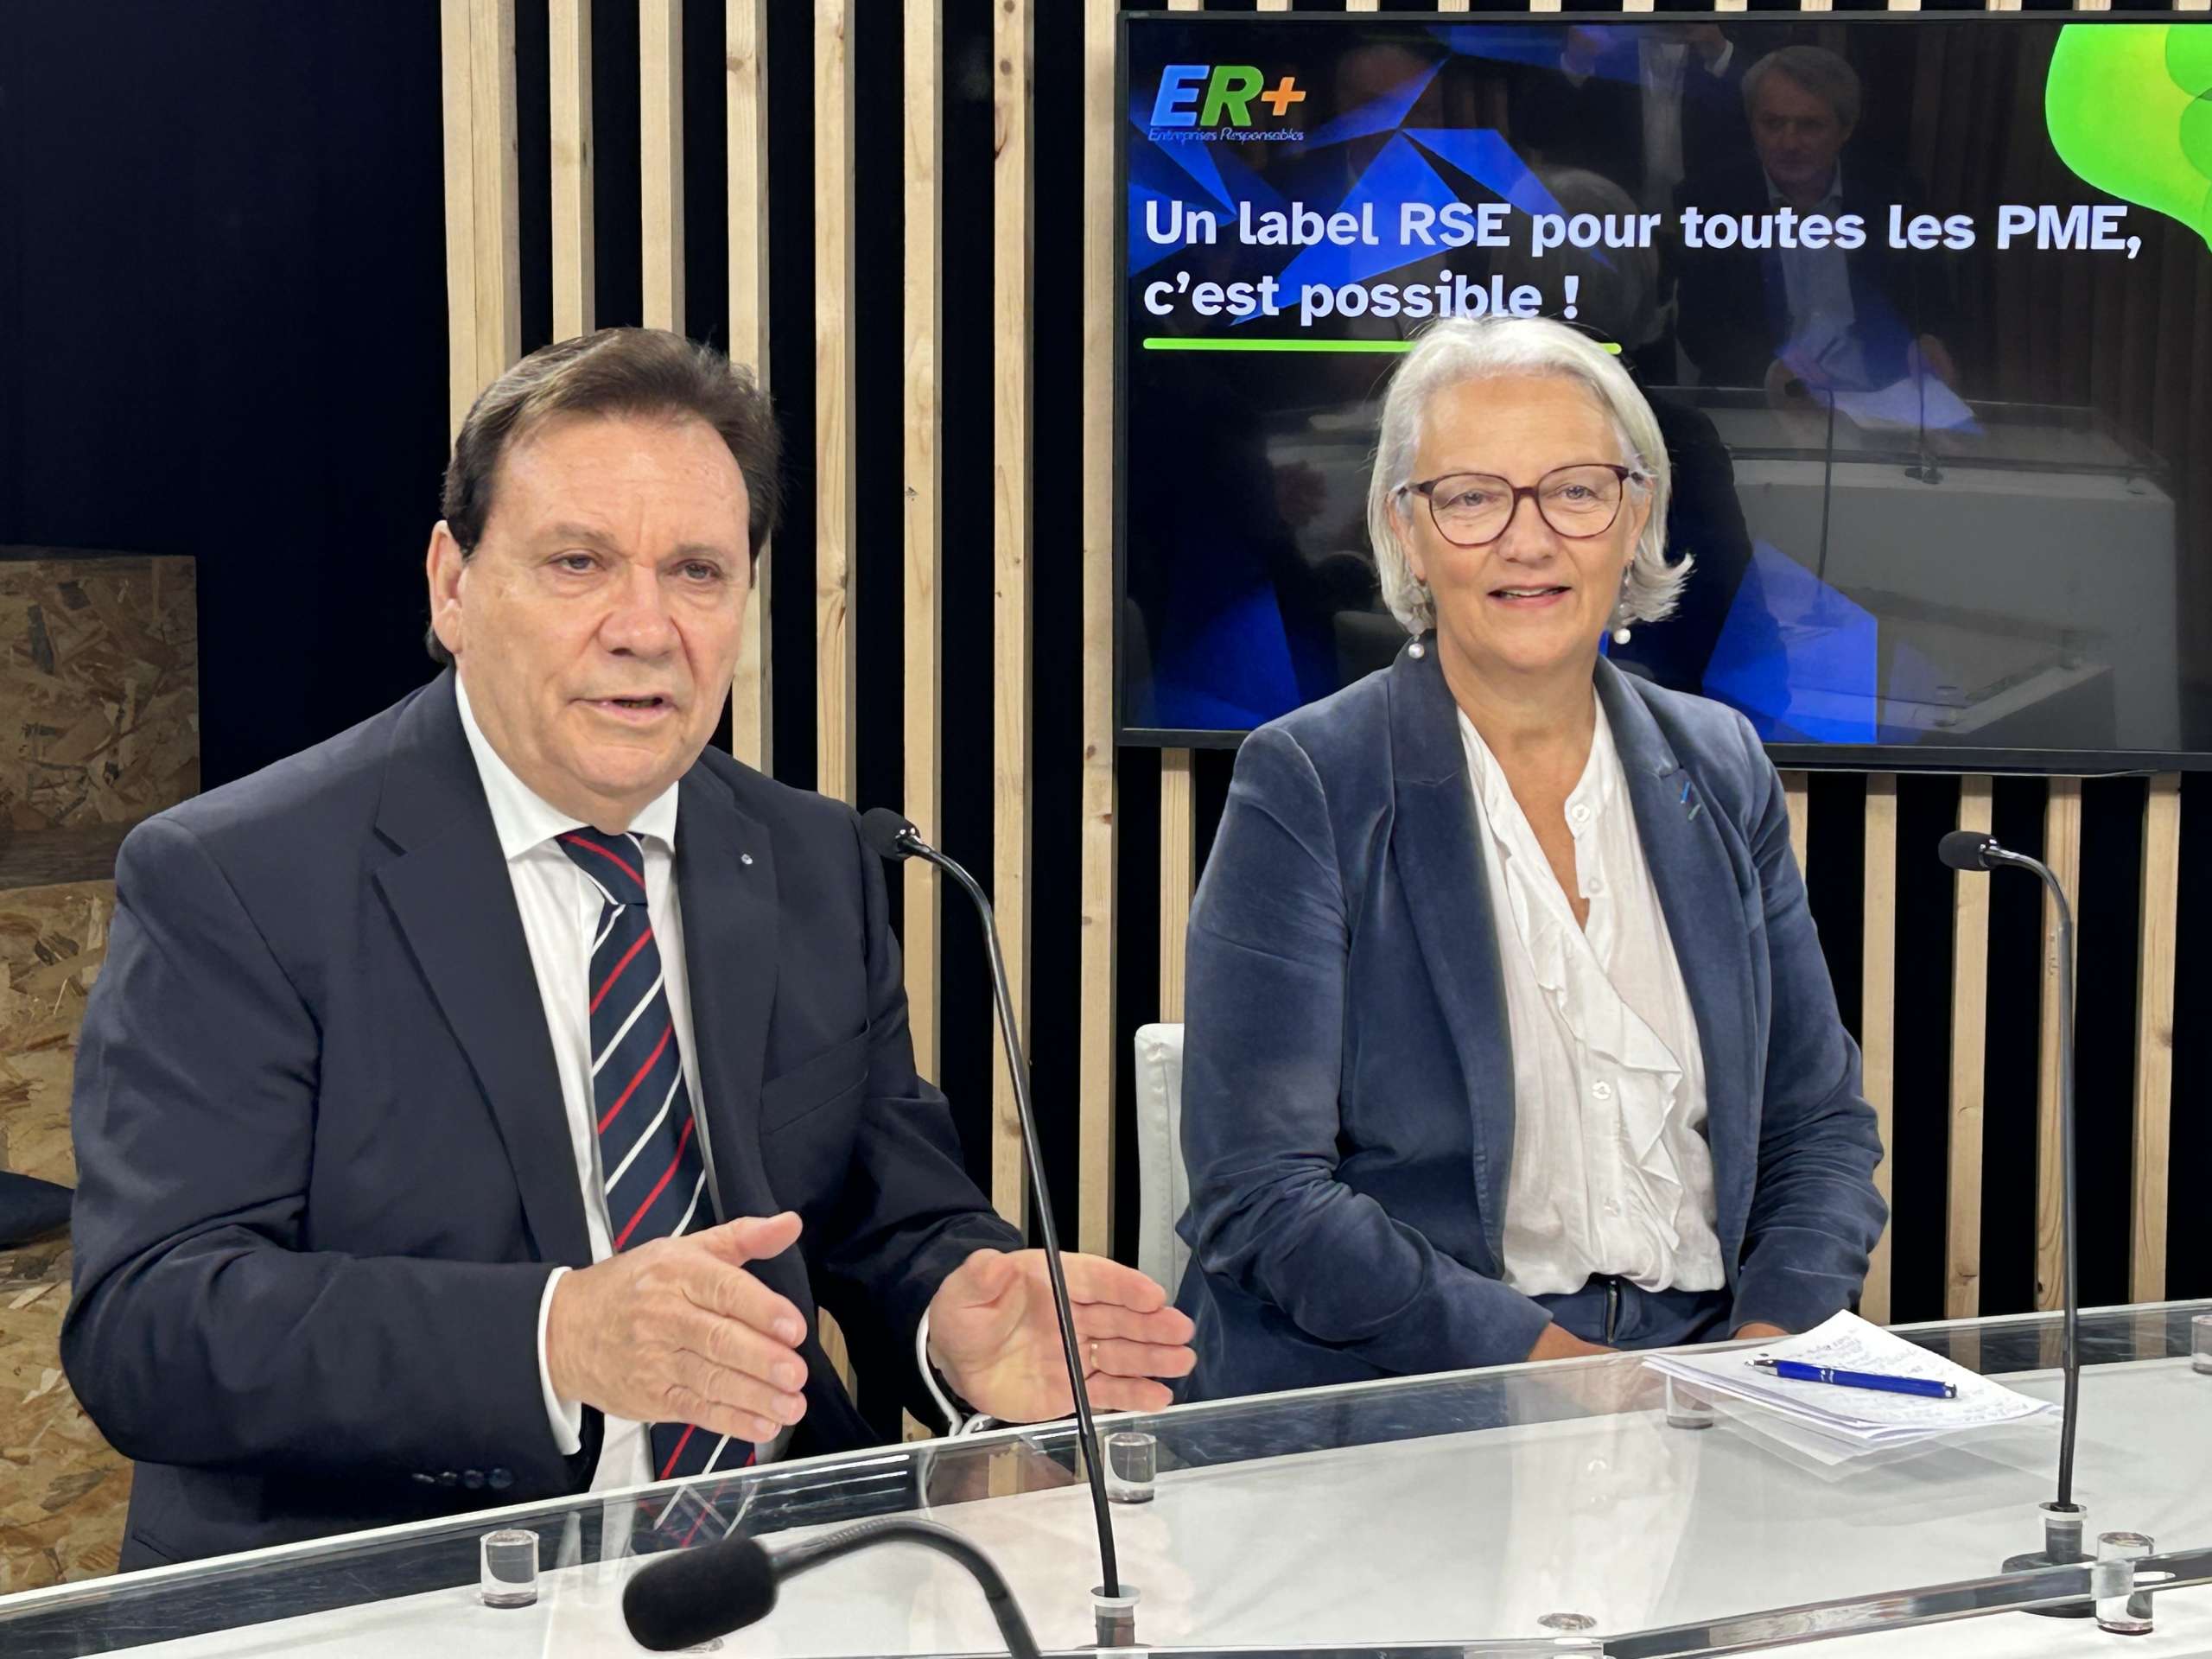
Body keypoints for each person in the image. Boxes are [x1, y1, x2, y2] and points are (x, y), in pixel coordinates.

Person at [65, 327, 1194, 1568]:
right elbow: (149, 1325)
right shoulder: (240, 876)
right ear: (452, 585)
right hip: (394, 1578)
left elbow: (890, 1217)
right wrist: (556, 1339)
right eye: (578, 563)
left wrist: (950, 1316)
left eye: (697, 572)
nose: (645, 628)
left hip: (770, 1571)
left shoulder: (811, 858)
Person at [1173, 315, 1885, 1402]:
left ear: (1634, 514)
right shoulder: (1310, 779)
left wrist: (1761, 1356)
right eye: (1471, 498)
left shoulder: (1722, 764)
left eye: (1575, 491)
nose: (1528, 539)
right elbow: (1260, 1191)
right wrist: (1570, 1380)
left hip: (1707, 1374)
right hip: (1410, 1391)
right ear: (1406, 531)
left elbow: (1816, 1126)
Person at [1674, 46, 1957, 395]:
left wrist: (1929, 340)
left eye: (1809, 126)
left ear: (1845, 128)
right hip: (1763, 402)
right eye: (1773, 123)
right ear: (1751, 124)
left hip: (1880, 398)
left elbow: (1933, 305)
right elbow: (1698, 331)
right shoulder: (1710, 199)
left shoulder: (1893, 193)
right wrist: (1771, 375)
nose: (1789, 143)